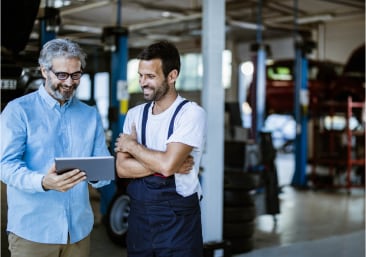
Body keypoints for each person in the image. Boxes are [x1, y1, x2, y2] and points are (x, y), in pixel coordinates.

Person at [0, 38, 111, 257]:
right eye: (62, 75)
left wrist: (97, 175)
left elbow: (103, 168)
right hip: (34, 233)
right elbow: (5, 166)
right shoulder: (18, 111)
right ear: (44, 71)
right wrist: (42, 181)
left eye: (76, 75)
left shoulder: (89, 115)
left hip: (78, 231)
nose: (69, 82)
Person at [114, 41, 207, 257]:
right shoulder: (135, 115)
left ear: (172, 76)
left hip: (178, 221)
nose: (142, 83)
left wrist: (132, 146)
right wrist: (166, 164)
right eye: (140, 75)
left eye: (151, 77)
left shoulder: (190, 114)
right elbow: (122, 169)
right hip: (140, 218)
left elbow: (167, 166)